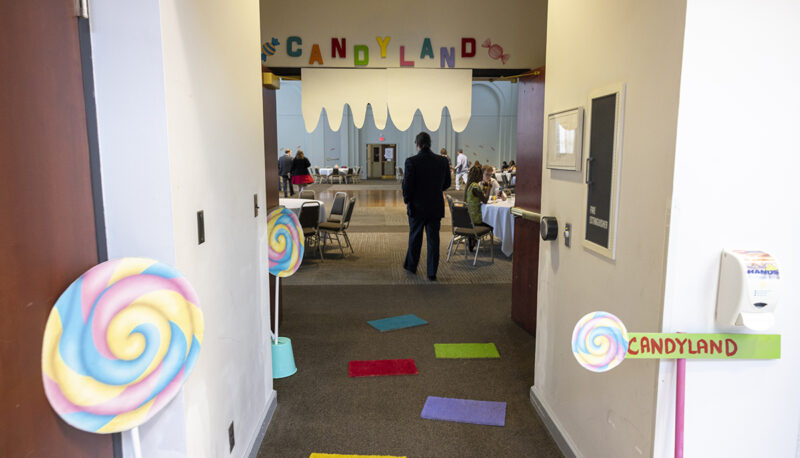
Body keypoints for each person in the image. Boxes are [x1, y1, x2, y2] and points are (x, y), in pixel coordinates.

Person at [402, 132, 451, 281]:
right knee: (433, 240)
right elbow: (447, 183)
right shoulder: (442, 161)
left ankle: (411, 266)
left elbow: (407, 186)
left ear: (417, 144)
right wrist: (436, 190)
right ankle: (431, 272)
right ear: (430, 143)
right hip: (435, 206)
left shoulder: (411, 161)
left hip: (417, 207)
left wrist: (407, 200)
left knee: (415, 237)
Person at [464, 166, 494, 252]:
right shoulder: (475, 186)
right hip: (476, 219)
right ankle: (475, 237)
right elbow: (485, 200)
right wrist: (489, 187)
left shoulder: (470, 185)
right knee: (492, 224)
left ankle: (473, 238)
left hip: (469, 218)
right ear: (478, 175)